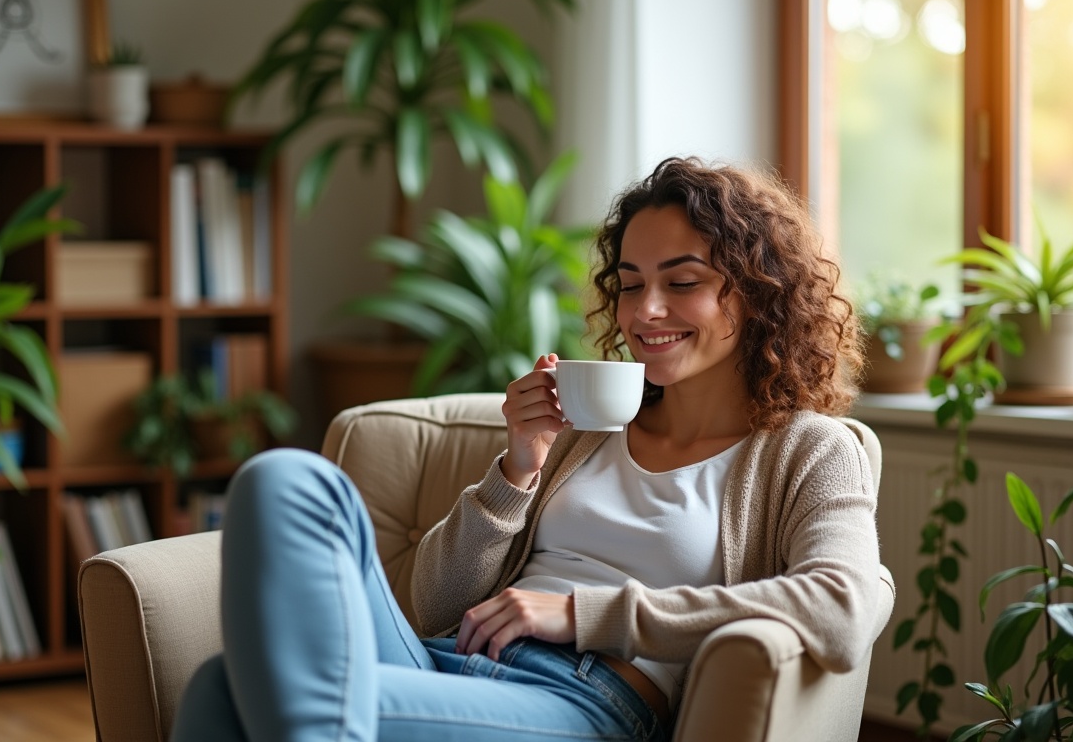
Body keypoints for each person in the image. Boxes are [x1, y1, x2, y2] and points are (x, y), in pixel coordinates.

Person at [170, 157, 883, 742]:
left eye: (683, 282)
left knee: (225, 689)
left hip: (585, 702)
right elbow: (427, 607)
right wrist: (519, 466)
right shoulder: (581, 431)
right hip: (442, 661)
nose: (644, 312)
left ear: (757, 294)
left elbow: (841, 606)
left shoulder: (809, 451)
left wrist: (582, 614)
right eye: (630, 285)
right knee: (285, 479)